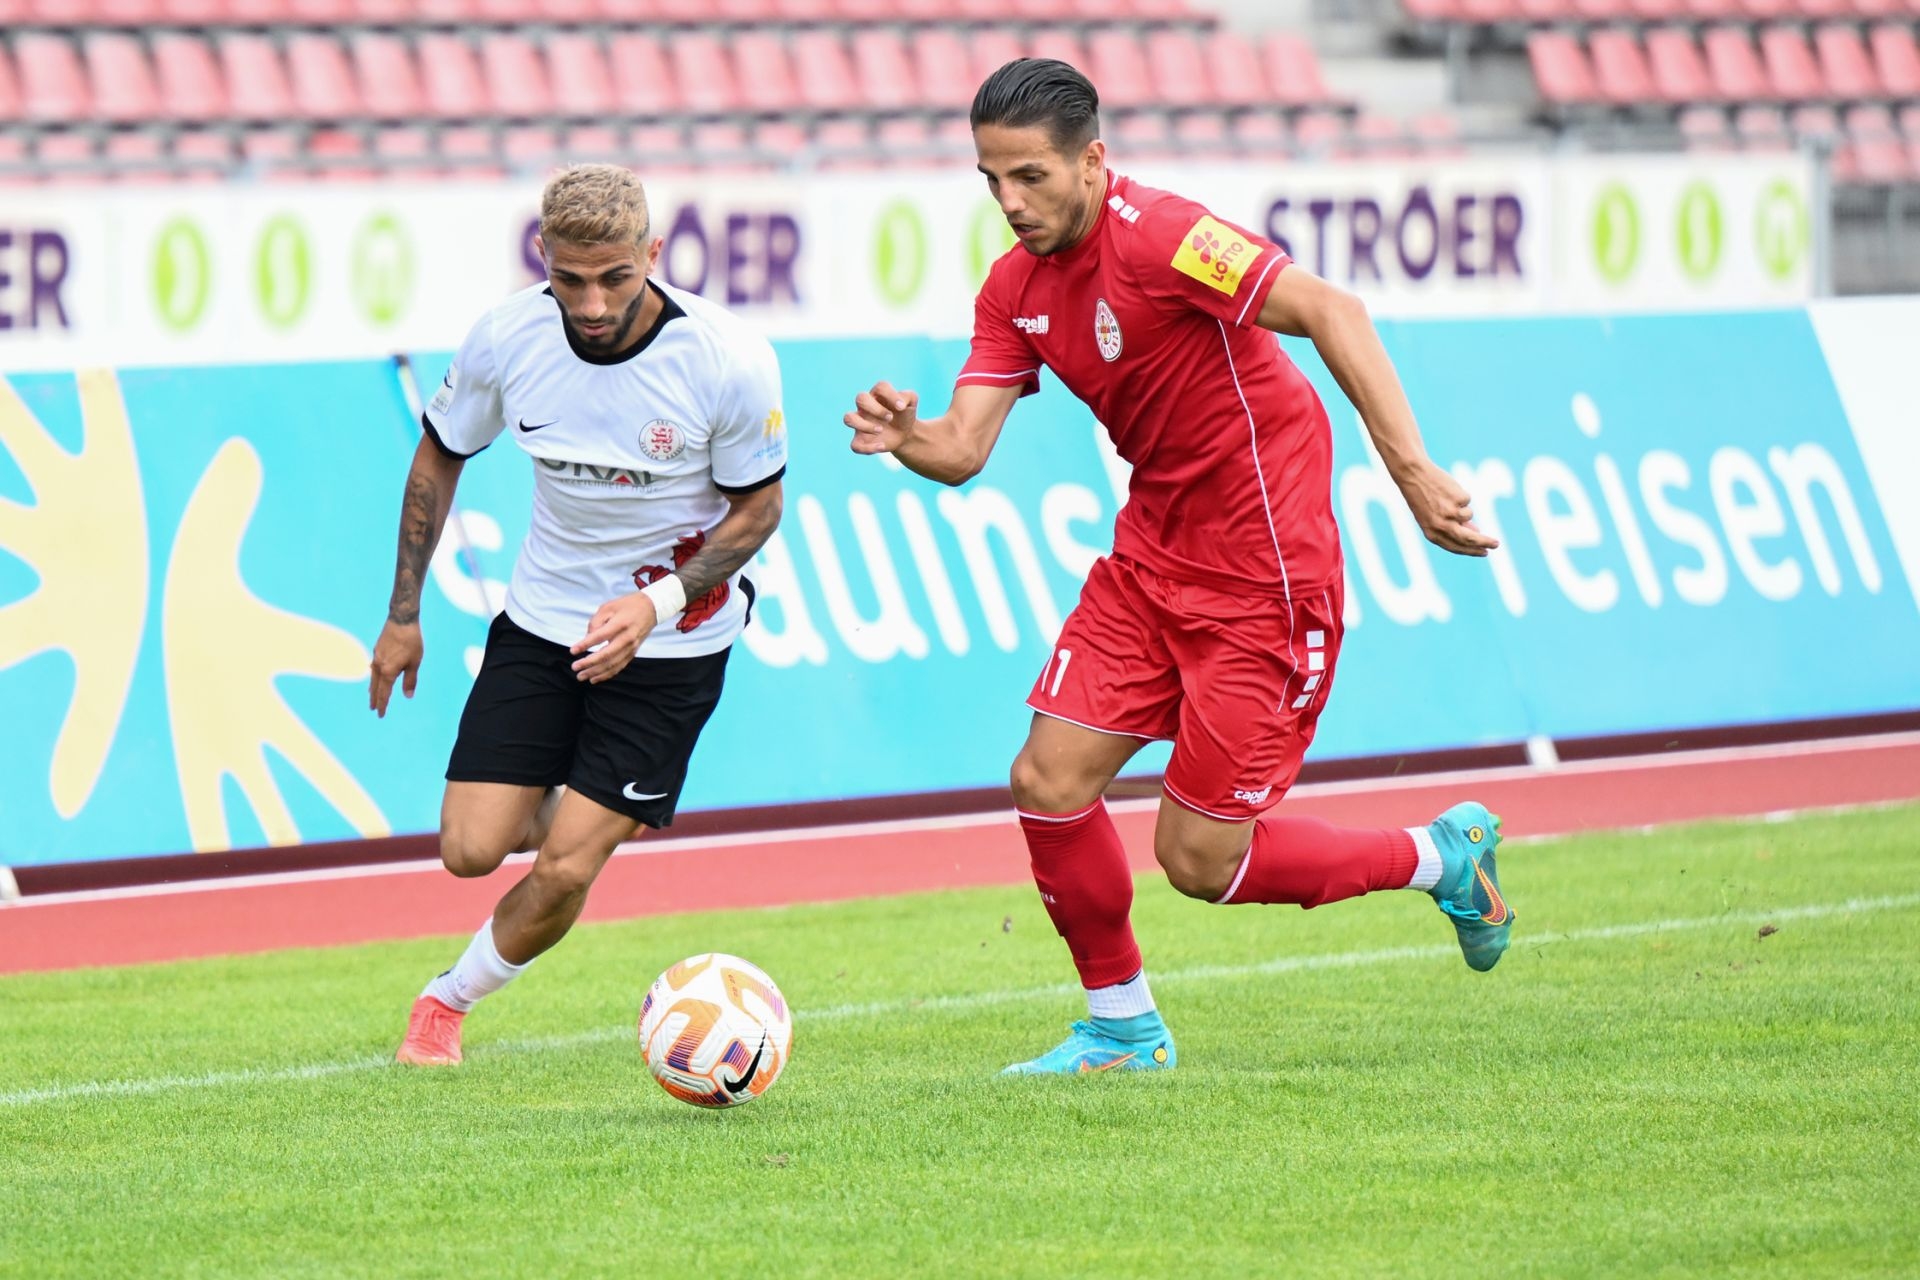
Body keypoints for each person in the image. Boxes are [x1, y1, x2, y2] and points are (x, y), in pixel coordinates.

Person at [842, 60, 1512, 1076]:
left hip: (1266, 576)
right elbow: (964, 448)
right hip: (1152, 559)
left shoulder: (1166, 236)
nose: (1009, 201)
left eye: (1029, 176)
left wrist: (1412, 472)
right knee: (1045, 779)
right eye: (991, 180)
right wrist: (907, 438)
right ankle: (1121, 1026)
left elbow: (1333, 310)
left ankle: (1439, 858)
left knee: (1198, 861)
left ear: (1093, 161)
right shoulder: (1013, 288)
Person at [369, 164, 787, 1066]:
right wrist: (404, 613)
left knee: (564, 868)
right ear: (542, 256)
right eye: (570, 279)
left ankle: (444, 1006)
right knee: (468, 849)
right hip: (543, 620)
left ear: (654, 254)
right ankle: (589, 803)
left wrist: (655, 602)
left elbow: (760, 510)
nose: (592, 304)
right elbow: (438, 458)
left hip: (674, 640)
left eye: (615, 278)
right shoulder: (505, 338)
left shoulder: (727, 359)